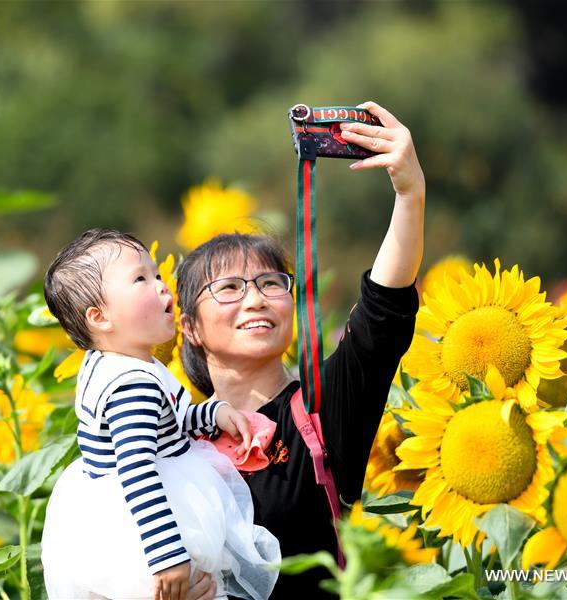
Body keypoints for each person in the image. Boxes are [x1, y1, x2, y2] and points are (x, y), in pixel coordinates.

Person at [176, 101, 424, 597]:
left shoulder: (321, 410)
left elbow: (382, 313)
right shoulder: (173, 436)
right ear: (190, 327)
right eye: (228, 288)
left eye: (271, 283)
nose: (254, 298)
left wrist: (410, 194)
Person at [40, 229, 281, 600]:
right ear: (100, 317)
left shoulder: (112, 362)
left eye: (156, 274)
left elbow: (164, 420)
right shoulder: (131, 386)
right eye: (141, 279)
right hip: (150, 533)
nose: (162, 286)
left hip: (120, 521)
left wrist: (209, 413)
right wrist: (168, 557)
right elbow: (138, 469)